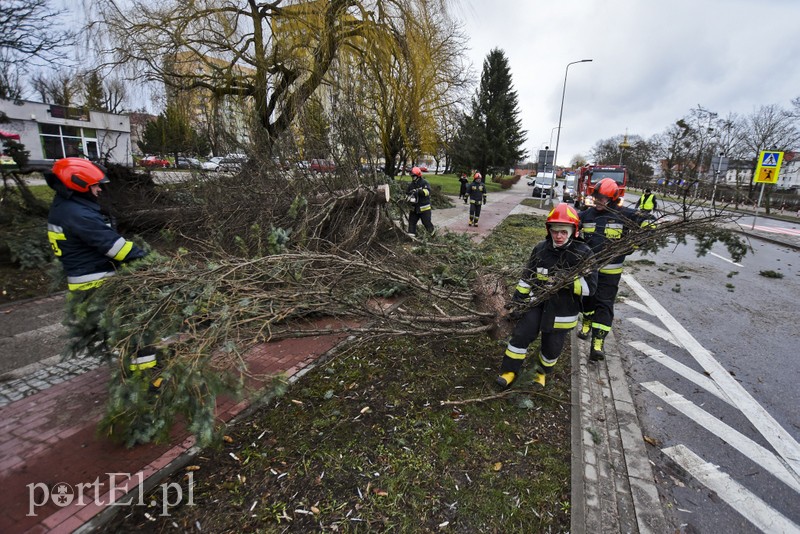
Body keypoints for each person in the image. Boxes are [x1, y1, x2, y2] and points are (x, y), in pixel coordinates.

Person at [45, 157, 158, 375]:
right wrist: (147, 258)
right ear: (79, 184)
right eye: (95, 185)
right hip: (98, 281)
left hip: (88, 278)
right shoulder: (79, 214)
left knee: (128, 324)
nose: (98, 189)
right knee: (140, 323)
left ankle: (138, 367)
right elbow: (117, 249)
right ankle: (144, 377)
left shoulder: (64, 207)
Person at [496, 204, 597, 388]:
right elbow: (527, 278)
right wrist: (517, 301)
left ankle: (540, 374)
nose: (558, 236)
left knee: (552, 347)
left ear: (573, 231)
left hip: (563, 311)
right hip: (537, 303)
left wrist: (567, 281)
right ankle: (509, 370)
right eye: (555, 231)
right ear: (549, 230)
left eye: (563, 232)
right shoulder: (541, 249)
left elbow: (590, 288)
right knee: (521, 334)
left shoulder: (583, 254)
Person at [577, 178, 650, 361]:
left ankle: (598, 343)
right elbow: (574, 228)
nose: (598, 201)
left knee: (605, 304)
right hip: (589, 270)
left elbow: (648, 221)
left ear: (612, 198)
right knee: (588, 300)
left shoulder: (624, 215)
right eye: (596, 197)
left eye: (602, 198)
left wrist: (636, 242)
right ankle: (586, 322)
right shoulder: (586, 215)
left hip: (611, 272)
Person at [406, 166, 435, 237]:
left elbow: (428, 192)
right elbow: (407, 193)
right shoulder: (411, 185)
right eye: (412, 176)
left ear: (418, 175)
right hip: (414, 208)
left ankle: (432, 236)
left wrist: (419, 191)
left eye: (414, 176)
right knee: (411, 223)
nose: (412, 177)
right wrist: (408, 197)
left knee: (426, 223)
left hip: (424, 208)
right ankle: (411, 238)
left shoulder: (424, 183)